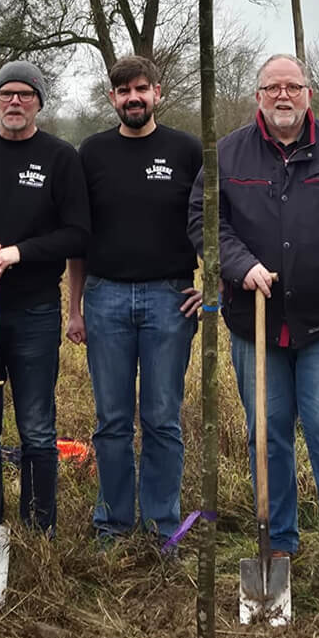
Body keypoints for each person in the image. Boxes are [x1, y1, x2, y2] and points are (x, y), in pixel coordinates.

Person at [189, 52, 319, 588]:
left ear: (308, 94)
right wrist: (239, 264)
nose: (282, 97)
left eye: (292, 87)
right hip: (257, 326)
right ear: (257, 97)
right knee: (267, 435)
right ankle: (277, 545)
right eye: (272, 87)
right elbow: (204, 221)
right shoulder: (226, 153)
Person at [67, 55, 203, 542]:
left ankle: (163, 524)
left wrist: (209, 284)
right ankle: (114, 523)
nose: (133, 98)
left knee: (163, 417)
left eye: (141, 89)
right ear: (112, 98)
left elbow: (211, 224)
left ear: (157, 93)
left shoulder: (187, 150)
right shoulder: (92, 154)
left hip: (171, 298)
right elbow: (79, 239)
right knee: (112, 420)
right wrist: (75, 308)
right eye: (123, 91)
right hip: (105, 299)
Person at [0, 60, 89, 534]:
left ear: (38, 103)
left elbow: (77, 234)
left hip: (34, 310)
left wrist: (15, 253)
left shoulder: (60, 157)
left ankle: (38, 526)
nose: (15, 101)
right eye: (6, 94)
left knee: (36, 424)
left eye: (25, 94)